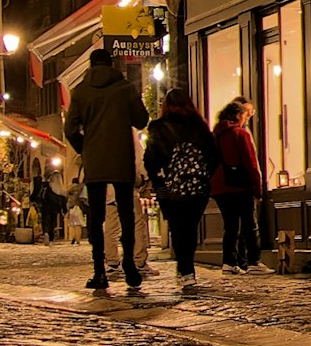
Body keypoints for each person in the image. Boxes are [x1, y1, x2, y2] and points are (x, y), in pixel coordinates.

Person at [64, 45, 148, 294]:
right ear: (111, 64)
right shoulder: (125, 88)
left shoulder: (80, 91)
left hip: (95, 161)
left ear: (90, 65)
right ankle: (130, 264)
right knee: (125, 214)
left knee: (97, 217)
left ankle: (100, 270)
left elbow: (70, 129)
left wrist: (85, 148)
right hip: (121, 157)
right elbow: (141, 120)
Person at [144, 83, 220, 294]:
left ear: (166, 105)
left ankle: (184, 269)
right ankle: (187, 271)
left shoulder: (158, 127)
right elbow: (214, 156)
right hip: (198, 187)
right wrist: (203, 175)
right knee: (191, 227)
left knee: (177, 228)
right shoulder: (200, 126)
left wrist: (159, 181)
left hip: (169, 188)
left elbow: (151, 160)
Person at [214, 97, 265, 269]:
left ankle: (229, 262)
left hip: (220, 188)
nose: (246, 120)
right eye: (245, 116)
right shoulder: (240, 134)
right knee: (250, 224)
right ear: (237, 115)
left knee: (231, 226)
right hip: (240, 186)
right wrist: (258, 189)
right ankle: (254, 262)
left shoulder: (216, 135)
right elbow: (251, 163)